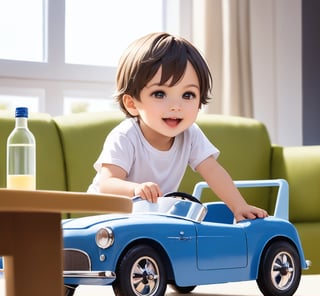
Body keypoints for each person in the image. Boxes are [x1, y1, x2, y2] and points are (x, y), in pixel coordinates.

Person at [87, 32, 268, 222]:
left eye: (188, 95)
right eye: (159, 93)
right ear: (132, 104)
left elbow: (213, 172)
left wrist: (239, 207)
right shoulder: (125, 136)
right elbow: (107, 185)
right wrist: (136, 189)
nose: (176, 106)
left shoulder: (190, 135)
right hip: (104, 217)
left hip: (148, 216)